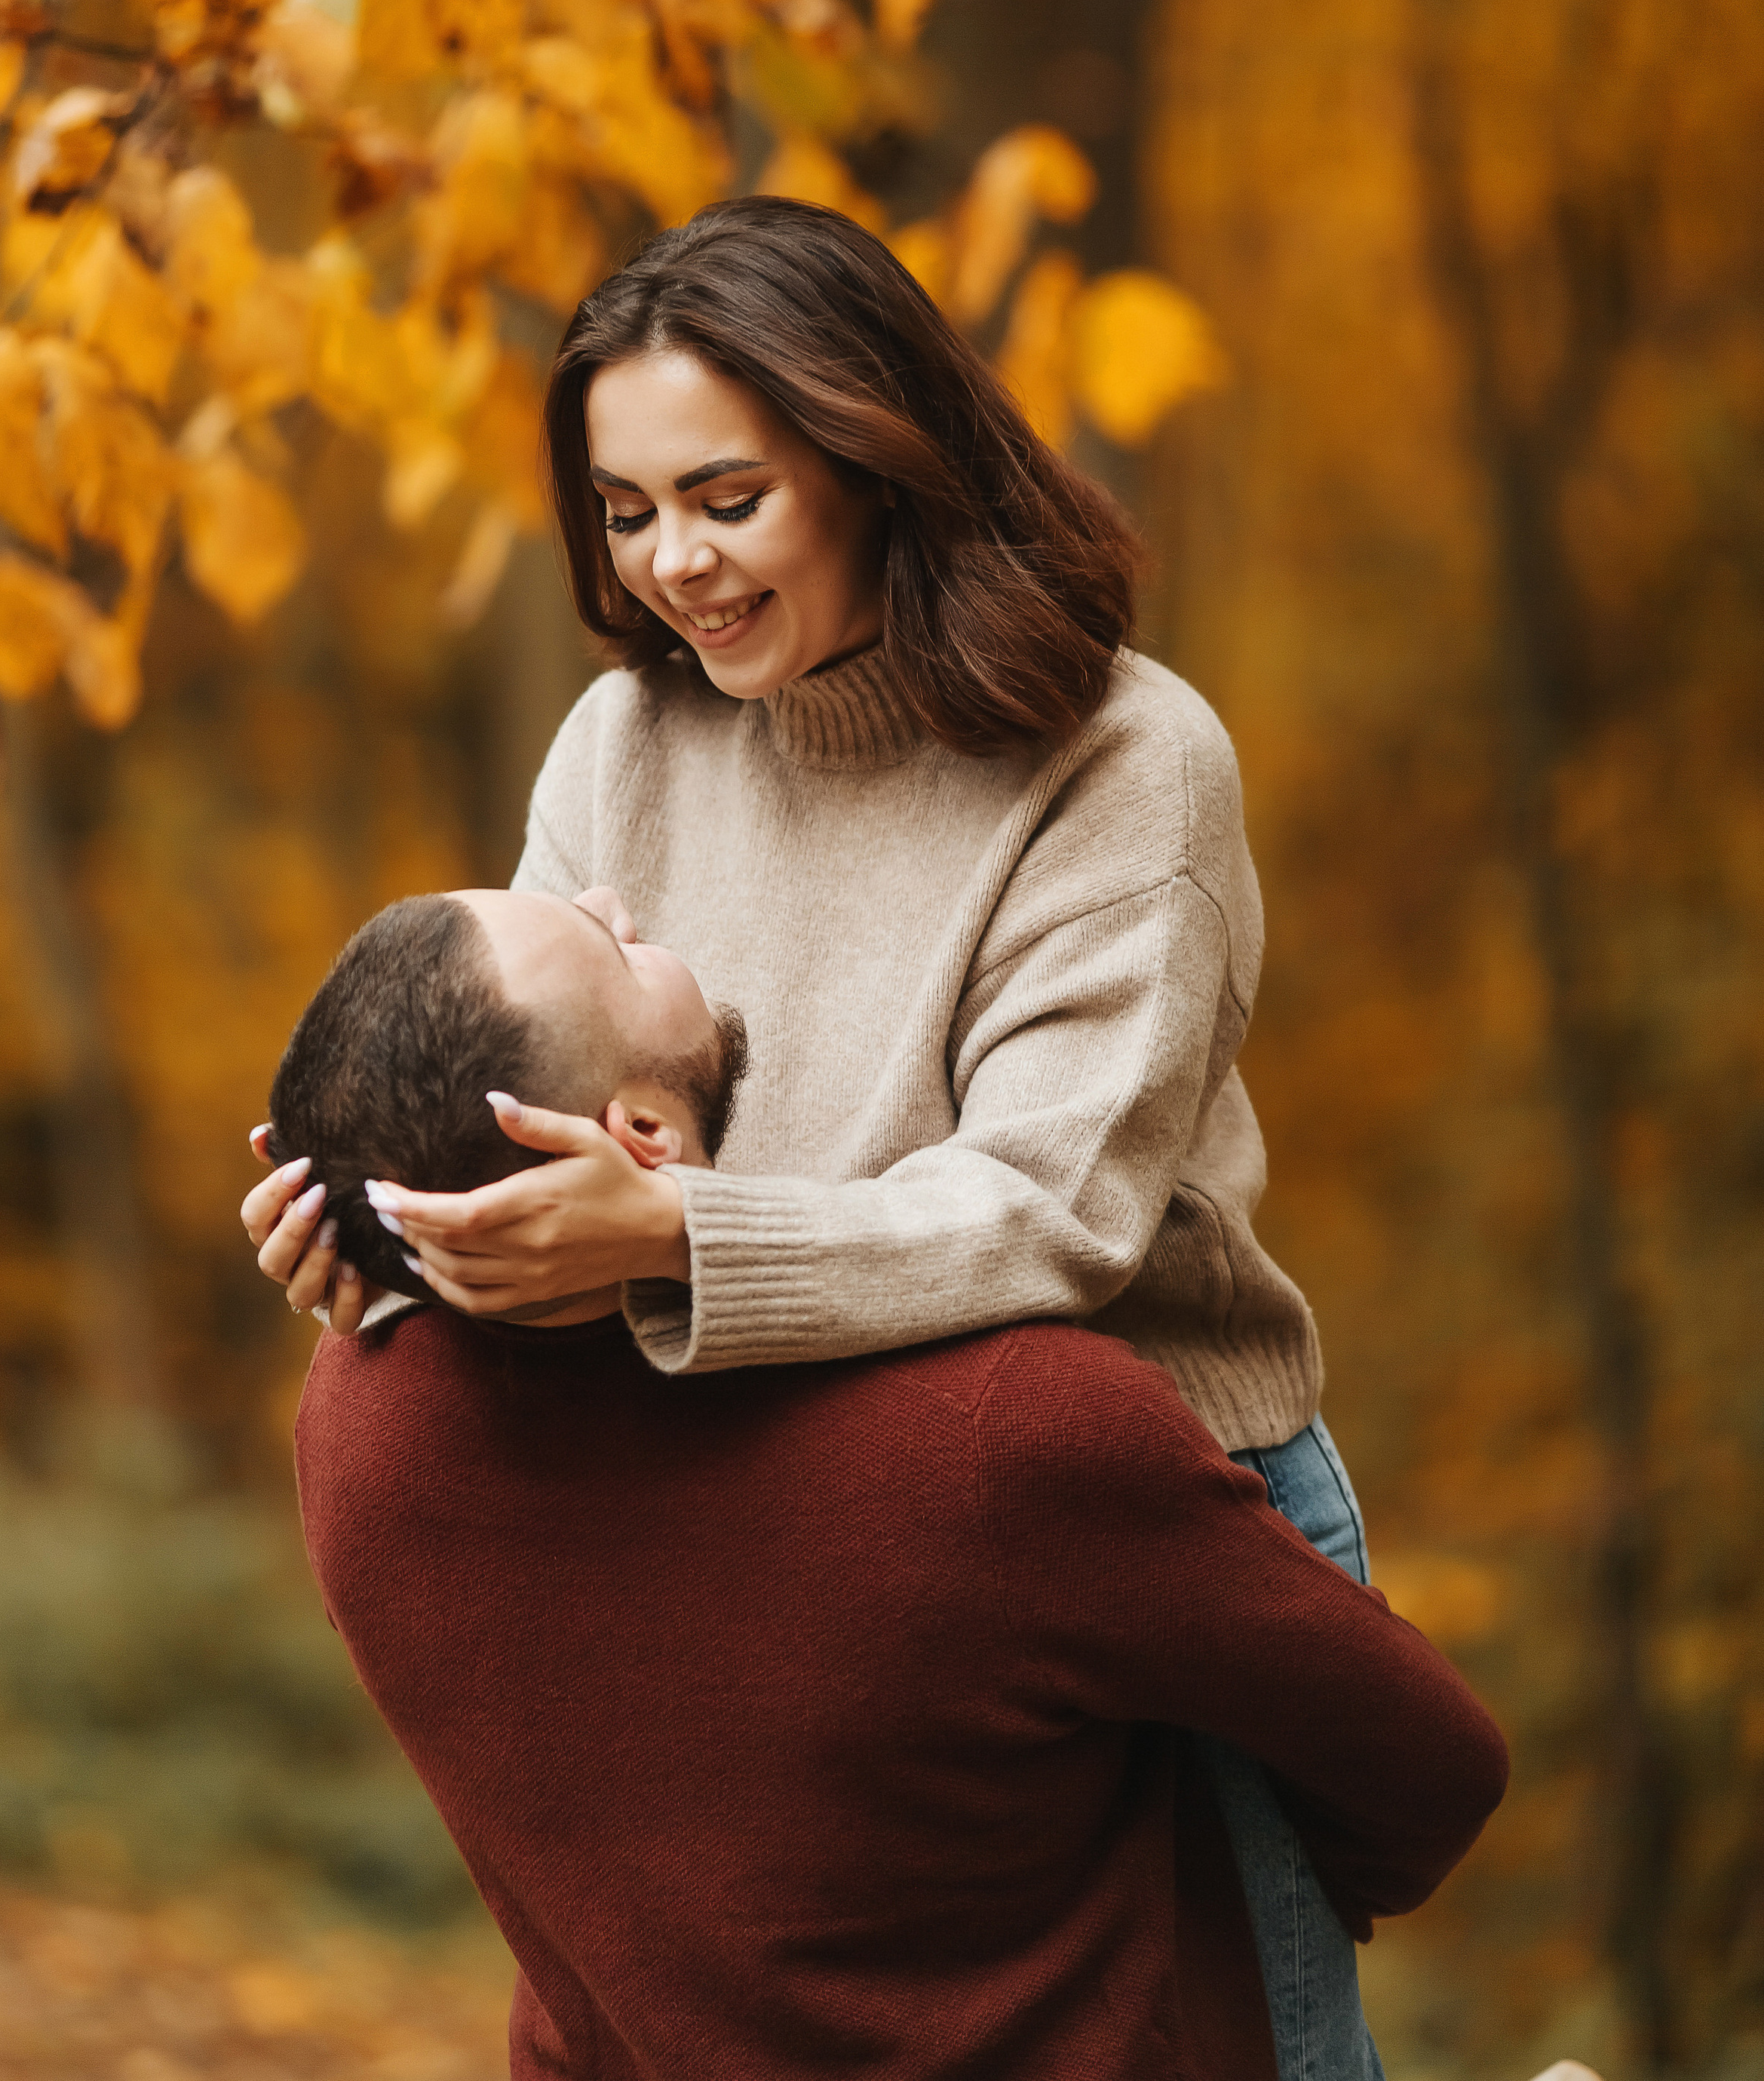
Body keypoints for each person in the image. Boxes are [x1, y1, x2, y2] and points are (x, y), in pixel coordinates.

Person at [244, 195, 1382, 2076]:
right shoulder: (620, 747)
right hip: (788, 1543)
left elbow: (1049, 1214)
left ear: (874, 459)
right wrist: (391, 1254)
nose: (673, 564)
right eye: (625, 514)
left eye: (724, 496)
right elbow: (532, 1132)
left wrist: (671, 1246)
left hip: (1153, 1534)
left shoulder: (1124, 762)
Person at [278, 882, 1511, 2081]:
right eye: (606, 950)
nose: (614, 898)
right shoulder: (1011, 1438)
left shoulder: (358, 1433)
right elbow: (1433, 1769)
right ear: (640, 1139)